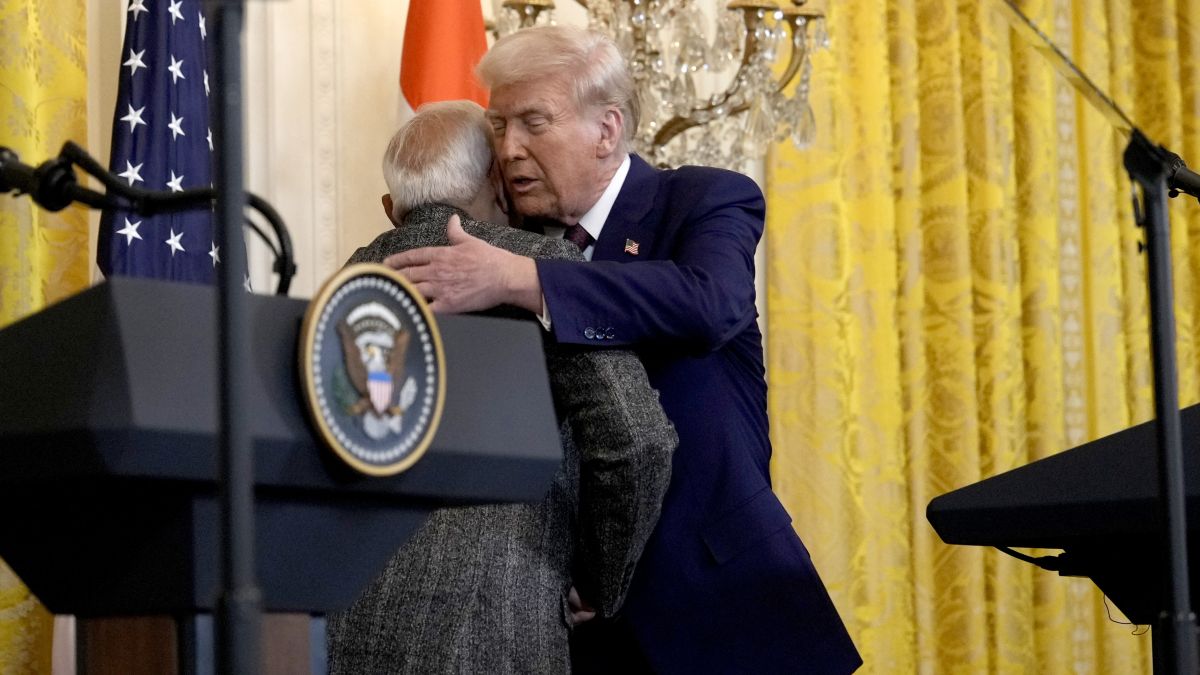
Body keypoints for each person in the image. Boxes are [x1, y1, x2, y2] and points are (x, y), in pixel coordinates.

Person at [386, 26, 862, 674]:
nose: (509, 148)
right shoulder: (504, 237)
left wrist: (526, 280)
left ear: (607, 130)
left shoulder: (700, 200)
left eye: (533, 122)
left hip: (722, 611)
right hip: (577, 630)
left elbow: (708, 304)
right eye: (498, 125)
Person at [325, 100, 677, 673]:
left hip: (344, 629)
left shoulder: (344, 287)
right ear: (497, 178)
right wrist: (599, 581)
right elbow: (638, 438)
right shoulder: (541, 268)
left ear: (391, 209)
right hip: (496, 630)